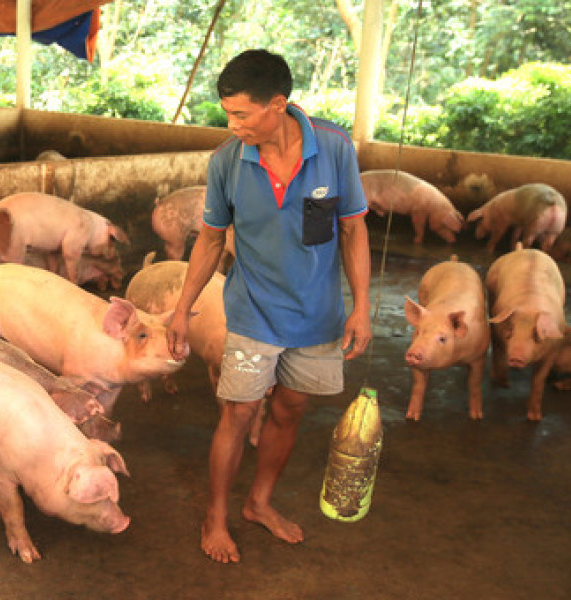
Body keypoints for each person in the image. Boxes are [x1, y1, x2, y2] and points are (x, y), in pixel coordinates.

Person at [166, 49, 371, 564]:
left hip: (317, 313)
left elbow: (352, 228)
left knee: (290, 408)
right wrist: (181, 308)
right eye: (226, 114)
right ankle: (216, 517)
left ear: (277, 105)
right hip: (253, 309)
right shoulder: (227, 163)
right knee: (238, 413)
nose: (231, 125)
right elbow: (210, 240)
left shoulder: (334, 147)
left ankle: (259, 503)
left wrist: (363, 305)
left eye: (240, 114)